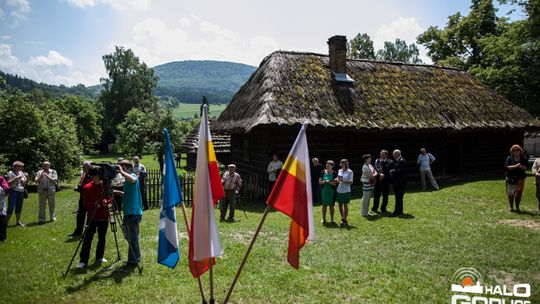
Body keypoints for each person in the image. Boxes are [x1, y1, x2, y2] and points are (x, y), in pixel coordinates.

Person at [77, 168, 112, 269]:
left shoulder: (105, 186)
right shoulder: (87, 187)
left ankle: (99, 256)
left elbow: (111, 197)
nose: (97, 178)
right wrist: (94, 204)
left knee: (102, 238)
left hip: (104, 216)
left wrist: (107, 201)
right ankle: (83, 260)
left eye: (98, 176)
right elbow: (84, 202)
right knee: (88, 238)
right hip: (92, 216)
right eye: (95, 176)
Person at [115, 159, 143, 267]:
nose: (122, 171)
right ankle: (135, 257)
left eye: (124, 168)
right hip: (128, 212)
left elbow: (133, 180)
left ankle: (133, 261)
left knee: (133, 238)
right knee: (130, 237)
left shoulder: (133, 176)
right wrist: (118, 192)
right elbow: (128, 194)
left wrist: (122, 172)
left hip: (133, 212)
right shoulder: (127, 181)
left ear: (129, 168)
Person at [70, 161, 93, 237]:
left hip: (90, 198)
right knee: (80, 215)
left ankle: (87, 232)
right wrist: (79, 186)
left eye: (85, 167)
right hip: (83, 196)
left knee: (90, 215)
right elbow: (82, 183)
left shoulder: (93, 175)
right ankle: (78, 231)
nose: (83, 168)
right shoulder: (84, 174)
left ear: (89, 167)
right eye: (83, 167)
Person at [504, 144, 527, 212]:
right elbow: (507, 167)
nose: (516, 151)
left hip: (520, 179)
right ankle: (511, 207)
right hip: (511, 178)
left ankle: (517, 207)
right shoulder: (509, 158)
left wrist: (521, 166)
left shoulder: (523, 158)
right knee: (510, 193)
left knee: (519, 193)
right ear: (512, 151)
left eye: (517, 150)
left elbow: (526, 168)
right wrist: (516, 166)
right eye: (514, 150)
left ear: (520, 151)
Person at [7, 161, 28, 226]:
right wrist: (15, 178)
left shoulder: (21, 172)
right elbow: (8, 183)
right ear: (16, 166)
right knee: (11, 207)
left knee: (19, 207)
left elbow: (25, 182)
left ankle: (18, 222)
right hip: (13, 191)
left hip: (21, 192)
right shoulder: (10, 173)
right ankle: (6, 222)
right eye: (21, 166)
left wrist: (26, 178)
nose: (22, 168)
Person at [319, 160, 337, 225]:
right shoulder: (323, 172)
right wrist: (324, 182)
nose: (327, 165)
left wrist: (328, 182)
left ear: (332, 166)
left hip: (331, 191)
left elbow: (335, 184)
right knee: (324, 206)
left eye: (329, 164)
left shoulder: (334, 173)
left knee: (331, 206)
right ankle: (324, 219)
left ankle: (332, 220)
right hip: (324, 191)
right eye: (326, 164)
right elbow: (320, 182)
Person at [336, 159, 353, 226]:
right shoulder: (339, 170)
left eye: (342, 163)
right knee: (340, 205)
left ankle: (345, 219)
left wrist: (342, 180)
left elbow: (351, 182)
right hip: (339, 190)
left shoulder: (350, 172)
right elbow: (338, 179)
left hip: (346, 190)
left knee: (345, 205)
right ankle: (342, 218)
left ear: (345, 164)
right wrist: (337, 180)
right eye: (340, 163)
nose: (341, 165)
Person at [390, 150, 407, 217]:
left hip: (400, 183)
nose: (393, 155)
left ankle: (396, 212)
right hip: (397, 182)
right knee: (398, 197)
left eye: (394, 154)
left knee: (399, 197)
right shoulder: (398, 160)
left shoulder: (402, 160)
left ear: (397, 154)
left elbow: (401, 171)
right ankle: (400, 211)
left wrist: (392, 171)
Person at [0, 175, 9, 242]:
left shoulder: (1, 178)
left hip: (1, 201)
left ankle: (2, 237)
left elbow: (6, 188)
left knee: (2, 219)